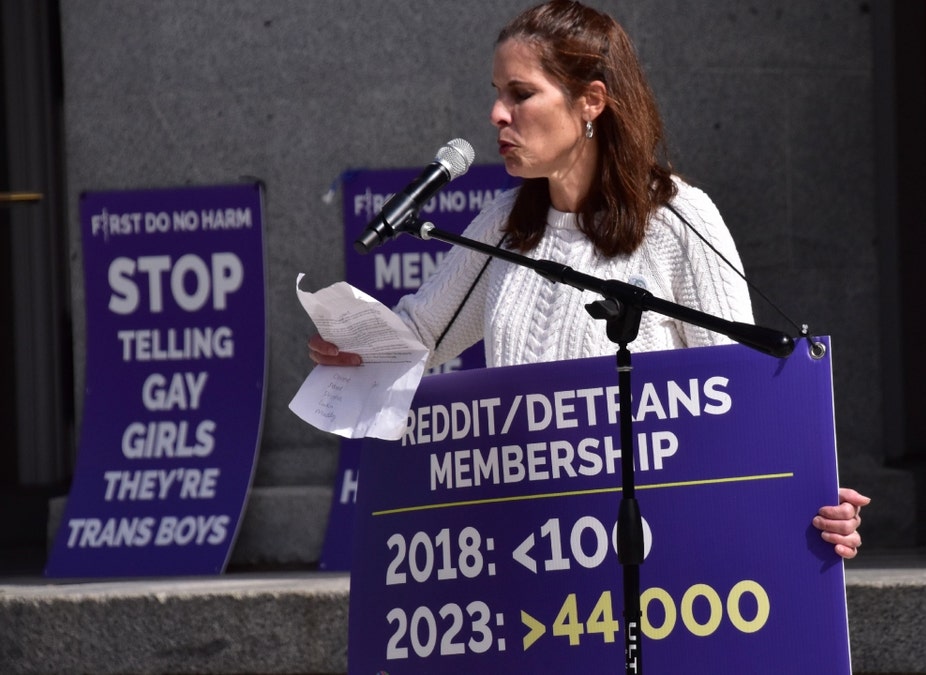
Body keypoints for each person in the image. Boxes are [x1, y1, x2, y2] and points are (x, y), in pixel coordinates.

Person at [309, 0, 868, 558]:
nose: (497, 114)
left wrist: (805, 496)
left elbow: (737, 391)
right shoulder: (502, 225)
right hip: (532, 542)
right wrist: (354, 345)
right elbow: (415, 338)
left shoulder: (678, 219)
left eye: (520, 94)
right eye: (498, 93)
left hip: (662, 544)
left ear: (591, 102)